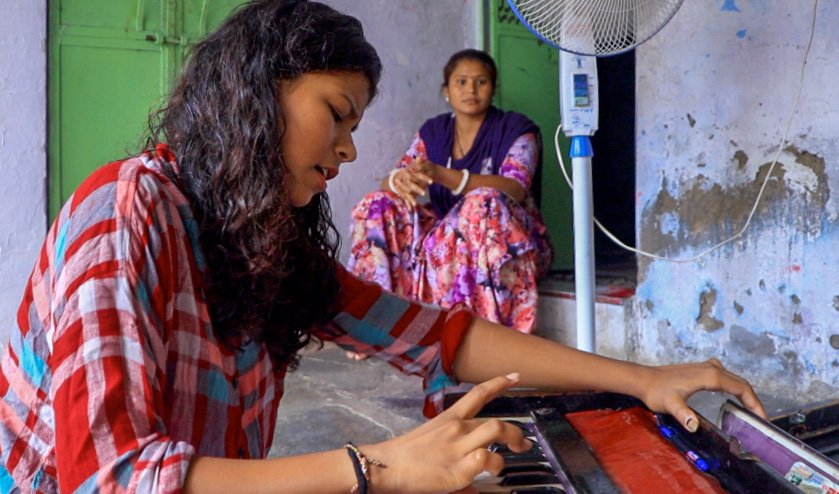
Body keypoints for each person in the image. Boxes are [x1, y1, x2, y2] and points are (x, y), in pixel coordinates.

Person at [0, 1, 765, 493]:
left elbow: (441, 335)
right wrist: (378, 468)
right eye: (335, 114)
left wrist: (642, 379)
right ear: (252, 93)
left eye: (356, 126)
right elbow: (109, 476)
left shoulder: (264, 244)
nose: (343, 149)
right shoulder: (124, 212)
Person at [348, 49, 553, 335]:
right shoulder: (434, 131)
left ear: (493, 88)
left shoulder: (516, 129)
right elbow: (396, 177)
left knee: (484, 201)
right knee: (376, 204)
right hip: (445, 238)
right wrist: (401, 181)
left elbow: (515, 188)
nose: (471, 89)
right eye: (461, 82)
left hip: (509, 242)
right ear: (447, 91)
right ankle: (377, 325)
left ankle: (491, 334)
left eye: (481, 82)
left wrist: (443, 175)